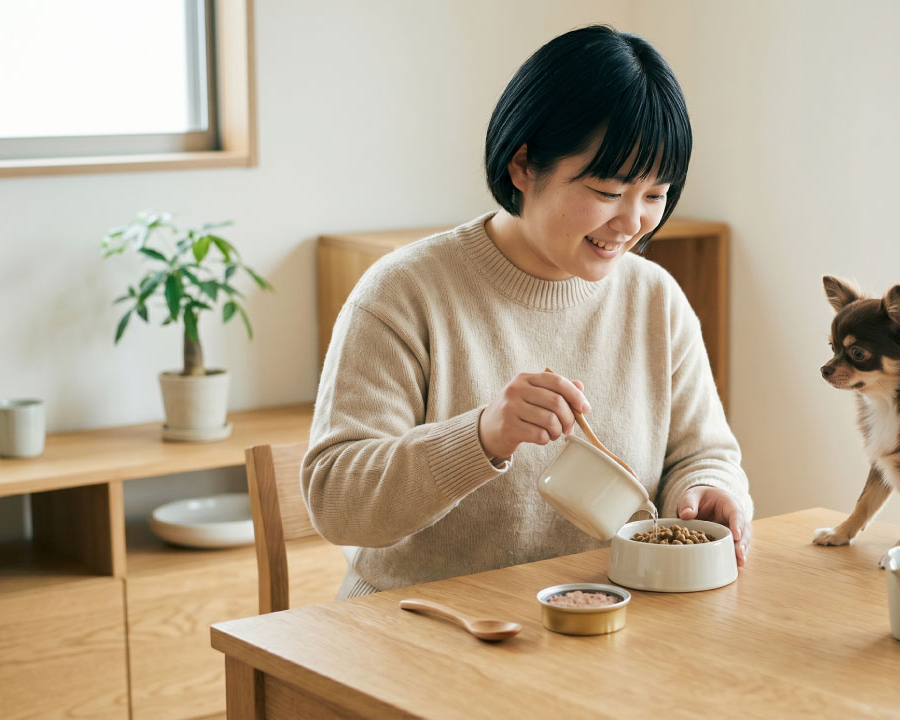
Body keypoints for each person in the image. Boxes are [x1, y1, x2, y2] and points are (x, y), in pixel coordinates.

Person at [302, 25, 753, 598]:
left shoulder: (655, 299)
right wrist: (481, 437)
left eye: (656, 195)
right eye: (609, 192)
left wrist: (711, 491)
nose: (633, 222)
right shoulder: (405, 293)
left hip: (596, 618)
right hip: (420, 625)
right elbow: (336, 502)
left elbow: (703, 454)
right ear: (522, 167)